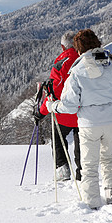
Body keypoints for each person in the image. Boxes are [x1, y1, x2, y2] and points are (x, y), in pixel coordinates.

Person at [46, 29, 112, 209]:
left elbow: (70, 106)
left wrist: (53, 106)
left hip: (90, 122)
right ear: (97, 43)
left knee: (89, 166)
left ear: (78, 49)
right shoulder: (110, 64)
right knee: (108, 158)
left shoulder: (78, 71)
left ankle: (92, 204)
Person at [33, 31, 82, 181]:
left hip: (64, 112)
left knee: (58, 139)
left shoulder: (60, 65)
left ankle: (63, 170)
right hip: (85, 111)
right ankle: (83, 172)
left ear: (62, 47)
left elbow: (53, 94)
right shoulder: (85, 59)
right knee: (82, 141)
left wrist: (40, 113)